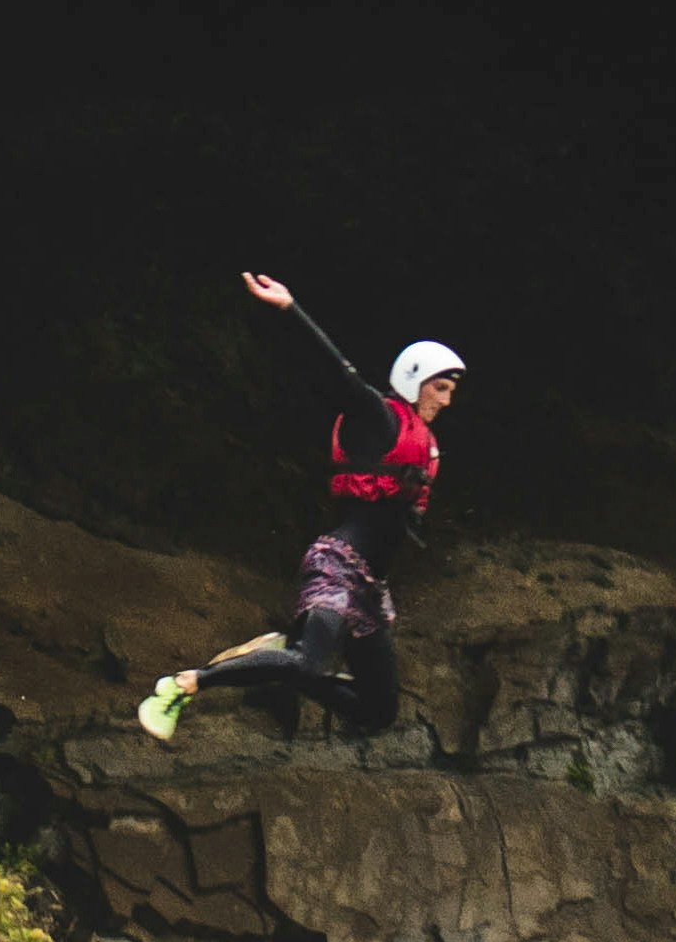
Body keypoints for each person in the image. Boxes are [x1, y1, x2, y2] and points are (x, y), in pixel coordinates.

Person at [139, 272, 461, 742]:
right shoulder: (379, 419)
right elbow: (338, 371)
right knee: (309, 664)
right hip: (337, 566)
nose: (448, 400)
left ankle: (284, 657)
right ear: (415, 381)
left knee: (378, 713)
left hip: (372, 590)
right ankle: (186, 683)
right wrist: (290, 308)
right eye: (442, 388)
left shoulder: (423, 443)